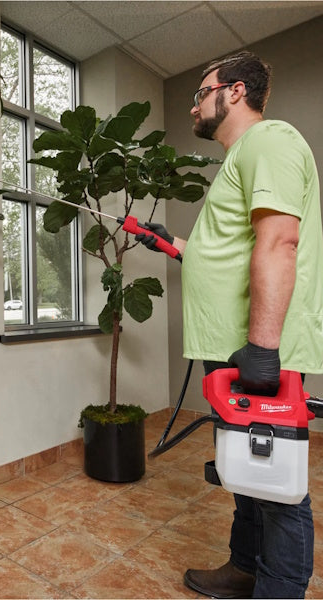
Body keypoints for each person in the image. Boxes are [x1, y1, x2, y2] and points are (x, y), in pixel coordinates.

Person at [137, 51, 323, 598]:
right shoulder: (242, 157)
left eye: (202, 92)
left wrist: (262, 349)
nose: (195, 105)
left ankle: (278, 590)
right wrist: (171, 244)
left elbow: (280, 241)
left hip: (257, 349)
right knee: (245, 469)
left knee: (276, 483)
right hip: (233, 350)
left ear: (235, 91)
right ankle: (245, 569)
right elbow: (226, 252)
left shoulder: (270, 141)